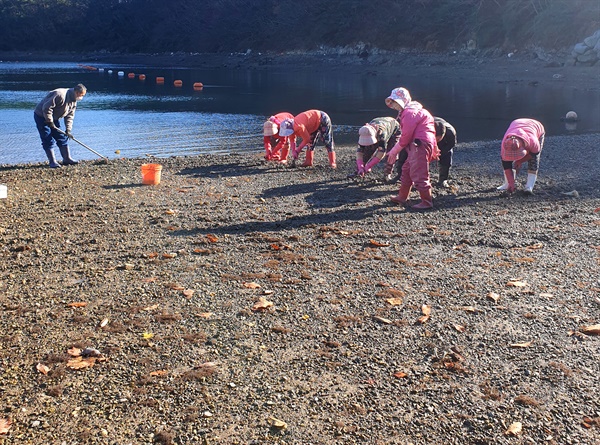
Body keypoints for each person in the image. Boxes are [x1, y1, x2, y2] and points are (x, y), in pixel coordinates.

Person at [383, 87, 439, 210]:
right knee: (407, 169)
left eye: (395, 102)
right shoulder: (414, 110)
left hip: (419, 145)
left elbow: (406, 136)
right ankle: (402, 197)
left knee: (418, 172)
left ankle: (427, 201)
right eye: (392, 102)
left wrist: (394, 150)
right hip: (421, 144)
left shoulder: (409, 113)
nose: (393, 105)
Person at [34, 83, 87, 168]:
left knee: (62, 137)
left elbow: (70, 116)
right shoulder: (59, 94)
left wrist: (68, 130)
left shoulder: (74, 101)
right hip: (41, 116)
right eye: (82, 95)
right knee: (47, 138)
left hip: (54, 118)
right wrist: (49, 121)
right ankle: (52, 162)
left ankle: (67, 159)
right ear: (76, 92)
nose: (82, 97)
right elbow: (46, 108)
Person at [497, 118, 545, 194]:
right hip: (517, 123)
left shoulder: (533, 142)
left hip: (536, 126)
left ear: (523, 146)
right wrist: (511, 184)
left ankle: (529, 187)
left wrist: (520, 161)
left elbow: (534, 154)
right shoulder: (504, 145)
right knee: (508, 161)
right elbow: (506, 166)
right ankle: (507, 184)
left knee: (534, 161)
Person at [434, 117, 457, 187]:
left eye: (438, 138)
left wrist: (441, 154)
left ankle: (443, 179)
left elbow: (452, 144)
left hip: (444, 143)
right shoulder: (425, 129)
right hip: (427, 140)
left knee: (447, 156)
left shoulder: (450, 131)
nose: (437, 140)